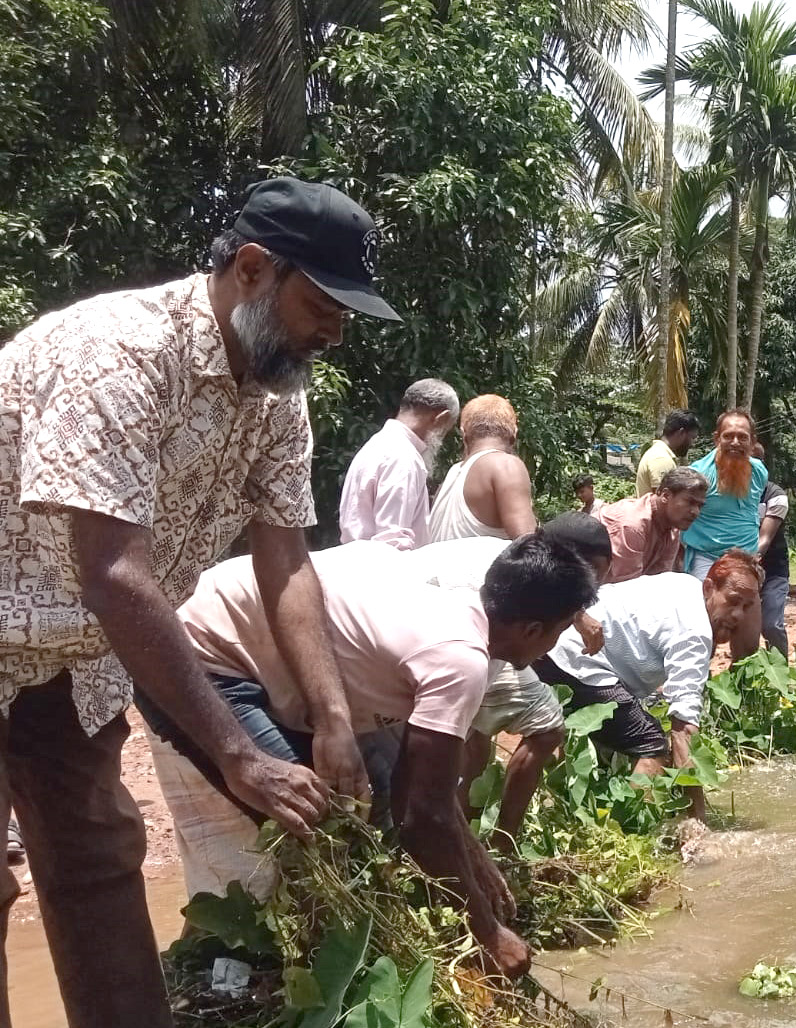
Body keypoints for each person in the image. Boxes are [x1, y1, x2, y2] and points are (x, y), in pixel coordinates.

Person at [0, 176, 397, 1027]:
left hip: (72, 661)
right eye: (322, 306)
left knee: (97, 859)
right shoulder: (114, 353)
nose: (334, 332)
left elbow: (285, 559)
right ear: (252, 269)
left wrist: (333, 718)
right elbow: (113, 572)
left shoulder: (277, 397)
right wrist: (238, 754)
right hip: (25, 621)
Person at [147, 535, 597, 978]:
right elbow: (421, 819)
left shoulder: (462, 616)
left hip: (246, 637)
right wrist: (489, 933)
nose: (553, 645)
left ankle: (287, 962)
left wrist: (472, 853)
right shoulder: (460, 658)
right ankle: (212, 971)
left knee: (361, 819)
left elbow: (417, 790)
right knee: (323, 832)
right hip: (192, 656)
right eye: (559, 631)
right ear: (532, 630)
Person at [535, 520, 763, 823]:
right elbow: (683, 727)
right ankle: (627, 832)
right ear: (710, 587)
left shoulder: (686, 585)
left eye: (747, 607)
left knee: (602, 736)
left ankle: (567, 814)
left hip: (552, 641)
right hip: (580, 658)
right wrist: (697, 819)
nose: (738, 615)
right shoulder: (695, 632)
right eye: (732, 602)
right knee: (651, 743)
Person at [406, 533, 572, 854]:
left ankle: (469, 840)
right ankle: (486, 846)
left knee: (473, 739)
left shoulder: (513, 564)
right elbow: (430, 775)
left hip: (428, 625)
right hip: (437, 639)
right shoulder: (468, 654)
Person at [339, 378, 461, 550]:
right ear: (441, 418)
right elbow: (392, 543)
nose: (442, 438)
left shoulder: (380, 444)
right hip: (378, 565)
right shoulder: (403, 457)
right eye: (446, 429)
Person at [428, 393, 537, 543]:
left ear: (464, 434)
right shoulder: (506, 465)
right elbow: (529, 545)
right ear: (514, 434)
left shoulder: (449, 477)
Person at [679, 410, 768, 579]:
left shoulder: (759, 472)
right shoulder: (698, 475)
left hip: (746, 559)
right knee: (707, 597)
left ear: (752, 442)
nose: (735, 442)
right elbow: (678, 520)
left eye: (742, 437)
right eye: (728, 436)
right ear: (717, 439)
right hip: (706, 559)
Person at [599, 467, 709, 584]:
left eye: (700, 506)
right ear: (666, 495)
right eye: (690, 502)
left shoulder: (673, 529)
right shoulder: (632, 526)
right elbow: (626, 587)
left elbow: (659, 580)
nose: (696, 512)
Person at [753, 444, 791, 656]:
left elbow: (764, 540)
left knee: (771, 625)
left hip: (773, 571)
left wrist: (747, 562)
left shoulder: (775, 495)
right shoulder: (729, 496)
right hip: (740, 570)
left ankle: (780, 669)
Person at [636, 408, 700, 496]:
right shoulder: (662, 459)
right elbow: (662, 499)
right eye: (692, 438)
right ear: (681, 433)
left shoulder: (659, 453)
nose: (692, 444)